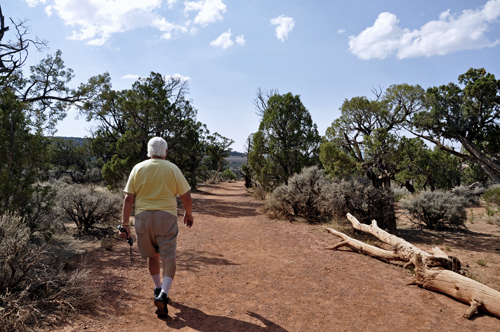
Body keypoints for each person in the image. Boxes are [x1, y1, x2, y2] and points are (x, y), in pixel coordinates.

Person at [119, 137, 193, 318]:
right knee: (168, 256)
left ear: (148, 152)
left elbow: (129, 199)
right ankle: (164, 294)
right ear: (165, 151)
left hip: (143, 218)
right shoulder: (173, 168)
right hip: (166, 217)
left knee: (152, 255)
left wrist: (125, 224)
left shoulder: (138, 168)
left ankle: (156, 288)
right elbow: (186, 196)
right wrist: (188, 213)